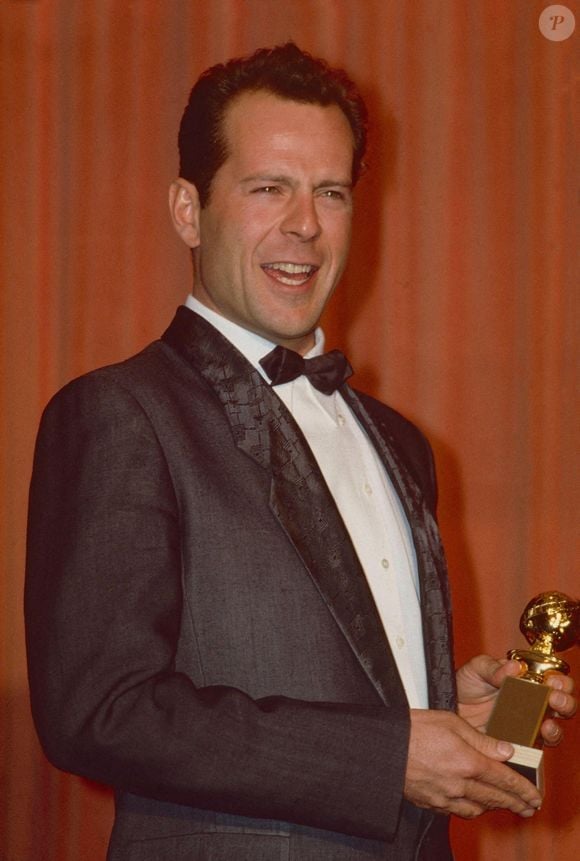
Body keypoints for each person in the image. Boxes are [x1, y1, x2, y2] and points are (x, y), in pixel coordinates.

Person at [25, 43, 576, 861]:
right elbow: (100, 710)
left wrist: (446, 710)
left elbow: (343, 681)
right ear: (187, 209)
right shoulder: (117, 412)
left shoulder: (401, 442)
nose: (306, 225)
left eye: (330, 192)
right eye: (268, 188)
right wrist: (389, 753)